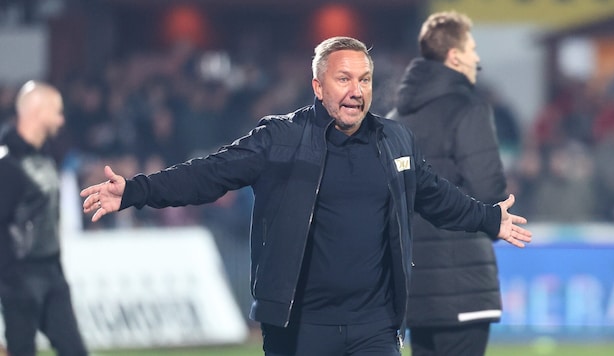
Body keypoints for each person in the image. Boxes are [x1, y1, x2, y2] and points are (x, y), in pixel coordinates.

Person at [80, 36, 531, 356]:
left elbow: (433, 195)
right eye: (344, 79)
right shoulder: (280, 138)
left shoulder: (396, 140)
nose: (357, 91)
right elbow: (208, 175)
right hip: (300, 329)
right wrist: (136, 190)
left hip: (375, 327)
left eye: (365, 80)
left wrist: (489, 219)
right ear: (318, 87)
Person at [387, 11, 509, 356]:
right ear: (454, 56)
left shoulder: (395, 120)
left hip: (415, 287)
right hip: (463, 280)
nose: (477, 57)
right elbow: (490, 194)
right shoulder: (468, 109)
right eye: (471, 48)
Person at [0, 81, 88, 356]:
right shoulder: (8, 163)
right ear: (37, 111)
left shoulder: (44, 156)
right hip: (19, 277)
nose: (62, 119)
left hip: (51, 272)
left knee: (74, 351)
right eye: (57, 111)